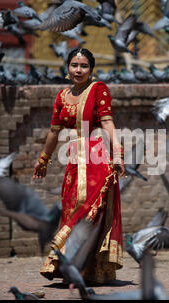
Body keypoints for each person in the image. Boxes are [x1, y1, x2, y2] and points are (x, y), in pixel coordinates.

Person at [33, 48, 125, 284]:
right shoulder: (62, 96)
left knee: (87, 211)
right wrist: (43, 159)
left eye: (84, 66)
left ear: (91, 70)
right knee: (71, 208)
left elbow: (107, 122)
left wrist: (118, 154)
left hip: (96, 159)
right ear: (68, 68)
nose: (78, 70)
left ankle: (84, 268)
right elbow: (54, 132)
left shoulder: (98, 89)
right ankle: (74, 270)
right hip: (74, 162)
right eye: (74, 65)